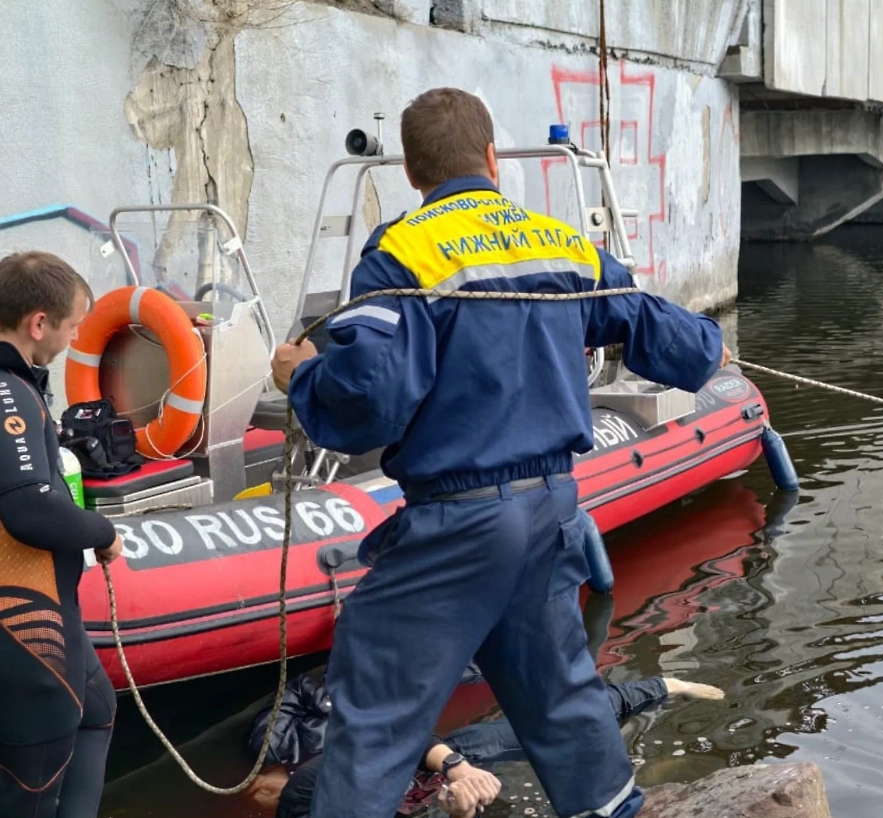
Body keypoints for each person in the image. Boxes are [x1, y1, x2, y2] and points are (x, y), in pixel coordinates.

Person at [270, 87, 732, 818]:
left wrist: (302, 378)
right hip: (550, 510)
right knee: (561, 694)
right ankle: (612, 810)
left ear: (413, 173)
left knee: (377, 707)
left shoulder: (402, 252)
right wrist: (707, 351)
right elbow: (639, 314)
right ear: (492, 158)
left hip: (455, 522)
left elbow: (368, 401)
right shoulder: (558, 242)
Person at [243, 670, 723, 818]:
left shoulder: (290, 756)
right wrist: (460, 810)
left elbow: (386, 741)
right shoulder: (306, 804)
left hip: (430, 753)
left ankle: (662, 686)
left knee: (546, 723)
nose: (261, 795)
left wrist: (453, 764)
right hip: (429, 773)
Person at [0, 252, 124, 817]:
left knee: (98, 709)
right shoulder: (9, 392)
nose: (76, 338)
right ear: (38, 323)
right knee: (31, 790)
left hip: (54, 626)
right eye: (73, 326)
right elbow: (29, 504)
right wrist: (102, 531)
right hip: (29, 636)